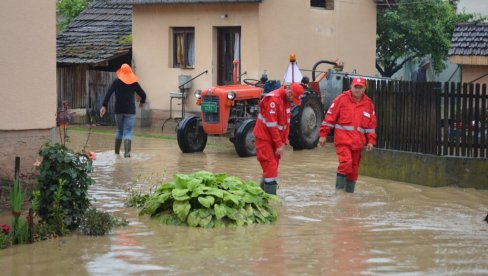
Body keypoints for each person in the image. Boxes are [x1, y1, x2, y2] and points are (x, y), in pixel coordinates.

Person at [318, 77, 376, 193]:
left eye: (360, 87)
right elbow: (330, 117)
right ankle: (339, 193)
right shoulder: (341, 99)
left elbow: (371, 125)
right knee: (346, 163)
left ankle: (349, 195)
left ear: (365, 88)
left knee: (354, 169)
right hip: (343, 141)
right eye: (355, 87)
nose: (357, 90)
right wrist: (323, 134)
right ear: (351, 87)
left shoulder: (368, 104)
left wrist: (371, 141)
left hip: (358, 143)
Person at [253, 83, 305, 195]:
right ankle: (271, 202)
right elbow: (272, 124)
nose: (293, 102)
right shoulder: (273, 99)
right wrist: (279, 144)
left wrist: (284, 141)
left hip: (275, 140)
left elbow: (286, 123)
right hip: (264, 138)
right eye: (293, 99)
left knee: (272, 168)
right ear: (289, 92)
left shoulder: (286, 101)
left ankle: (262, 196)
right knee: (270, 167)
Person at [100, 64, 147, 158]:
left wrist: (104, 105)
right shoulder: (134, 82)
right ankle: (127, 154)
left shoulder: (116, 81)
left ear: (121, 72)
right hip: (130, 111)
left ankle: (116, 153)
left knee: (119, 130)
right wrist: (142, 102)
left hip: (118, 110)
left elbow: (108, 93)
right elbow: (143, 94)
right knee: (128, 132)